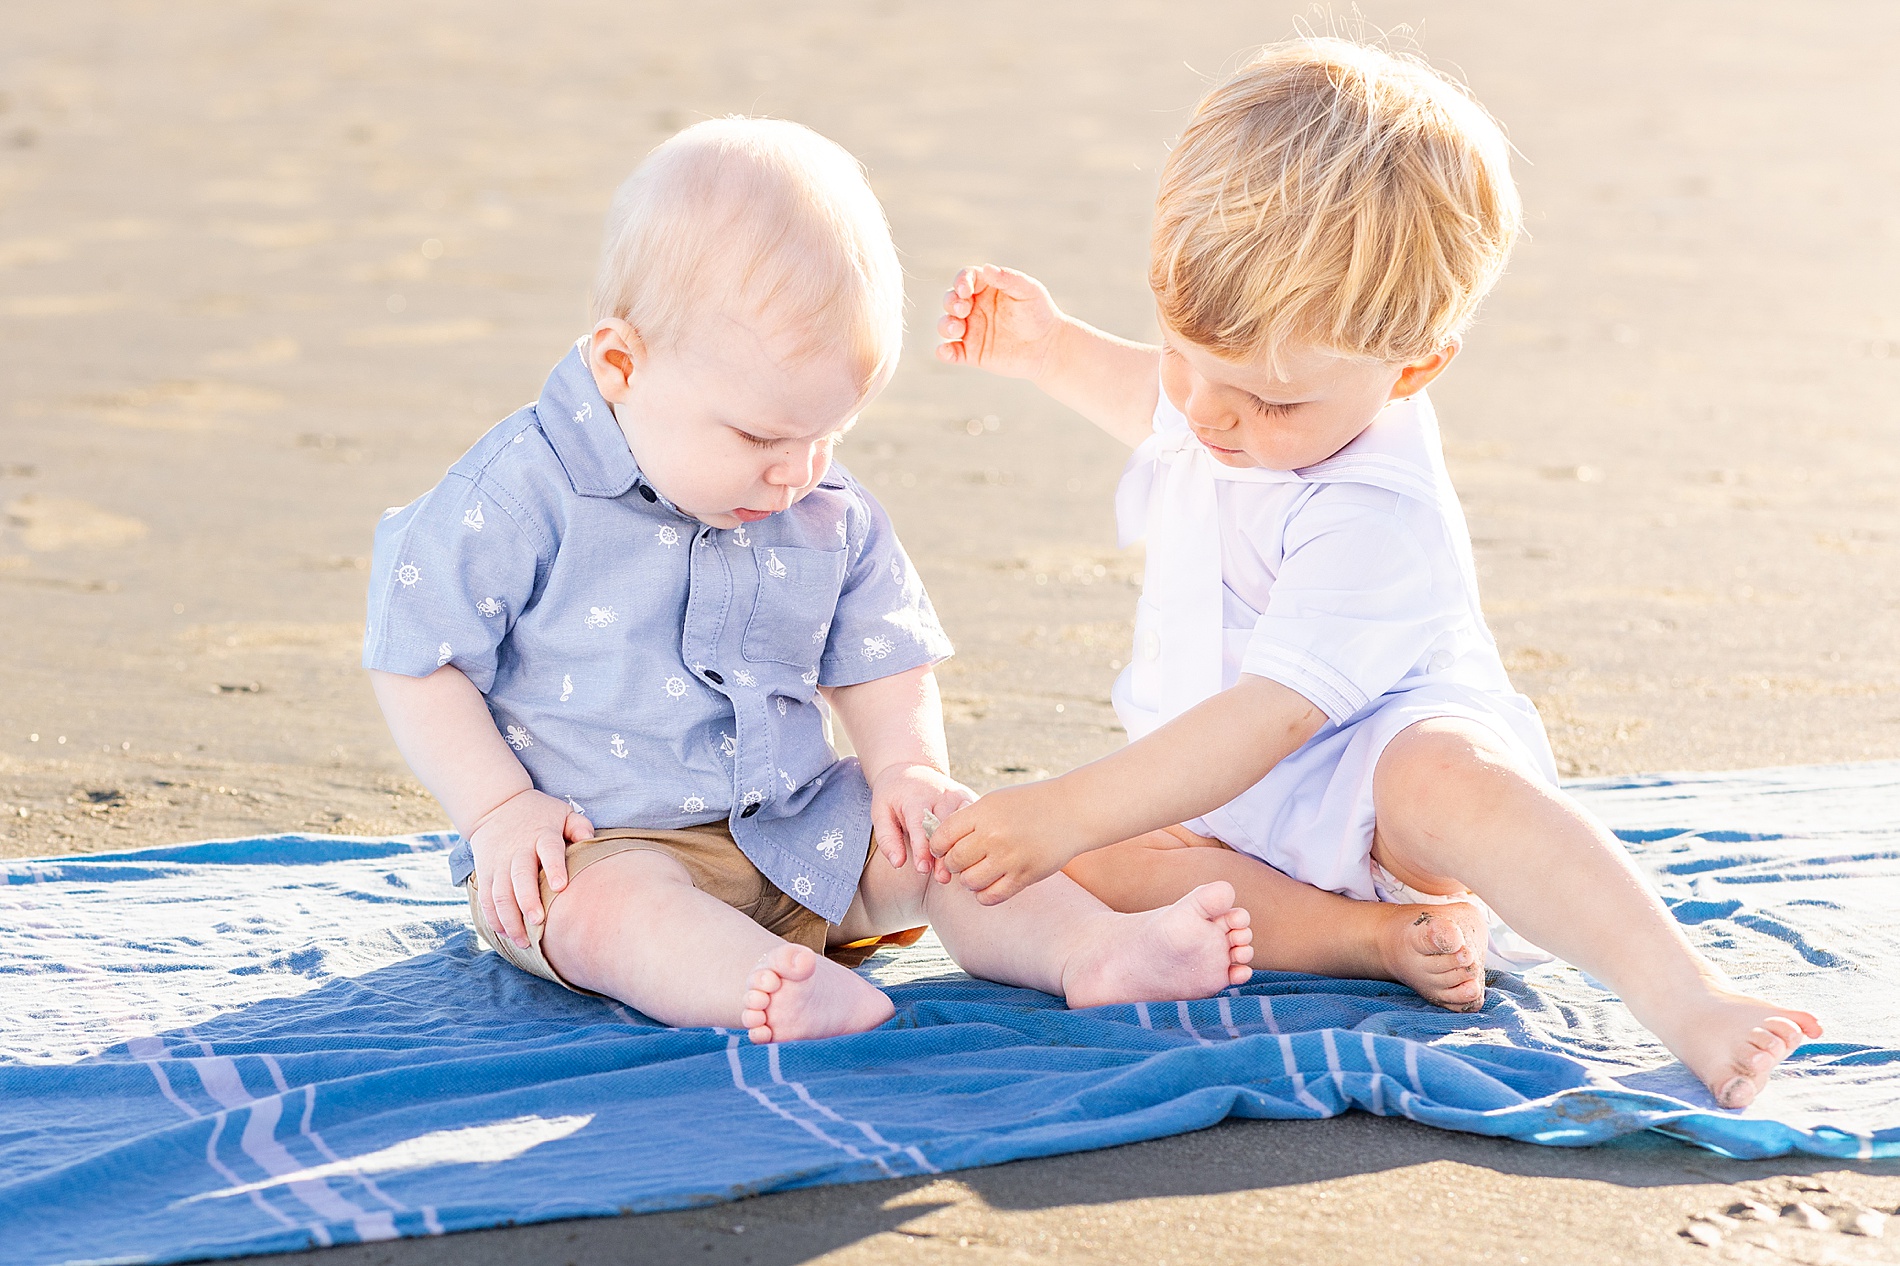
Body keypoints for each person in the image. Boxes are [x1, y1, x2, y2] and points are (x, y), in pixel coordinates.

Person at [928, 39, 1820, 1108]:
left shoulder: (1373, 508)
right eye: (1184, 355)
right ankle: (1365, 939)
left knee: (1445, 783)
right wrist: (1050, 348)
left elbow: (1271, 717)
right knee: (1085, 871)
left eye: (1269, 400)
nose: (1210, 414)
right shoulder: (1234, 401)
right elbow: (1164, 412)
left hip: (1364, 777)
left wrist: (1065, 806)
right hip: (1231, 803)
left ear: (1413, 367)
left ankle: (1684, 995)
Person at [363, 117, 1254, 1045]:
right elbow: (417, 653)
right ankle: (758, 985)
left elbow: (882, 653)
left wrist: (908, 770)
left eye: (829, 434)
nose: (797, 471)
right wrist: (500, 811)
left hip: (799, 825)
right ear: (620, 364)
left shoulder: (821, 501)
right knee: (602, 918)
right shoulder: (516, 493)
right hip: (601, 842)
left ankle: (1091, 951)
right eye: (760, 439)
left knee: (952, 844)